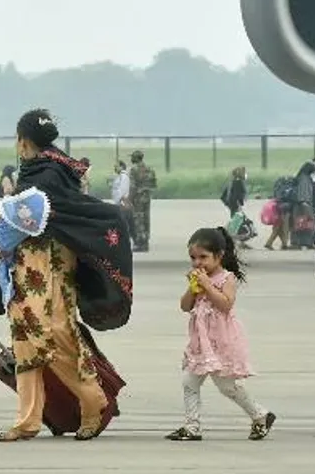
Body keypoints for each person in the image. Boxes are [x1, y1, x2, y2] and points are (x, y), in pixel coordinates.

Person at [0, 108, 134, 442]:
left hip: (49, 266)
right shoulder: (49, 169)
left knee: (55, 335)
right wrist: (0, 238)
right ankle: (27, 420)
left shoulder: (48, 172)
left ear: (23, 140)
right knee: (25, 339)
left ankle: (93, 401)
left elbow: (34, 211)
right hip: (27, 267)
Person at [165, 227, 274, 442]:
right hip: (200, 342)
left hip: (221, 341)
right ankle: (192, 426)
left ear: (219, 255)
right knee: (189, 382)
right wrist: (192, 289)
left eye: (203, 257)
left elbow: (226, 304)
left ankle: (260, 415)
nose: (198, 263)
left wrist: (208, 286)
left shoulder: (227, 278)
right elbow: (185, 306)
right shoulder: (198, 278)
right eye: (193, 258)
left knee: (227, 386)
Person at [128, 150, 157, 252]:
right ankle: (146, 241)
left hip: (138, 198)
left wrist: (129, 200)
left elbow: (133, 187)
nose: (131, 159)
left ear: (136, 158)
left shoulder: (134, 170)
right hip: (147, 197)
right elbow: (154, 184)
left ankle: (140, 243)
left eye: (132, 157)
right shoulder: (149, 169)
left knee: (138, 219)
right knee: (146, 219)